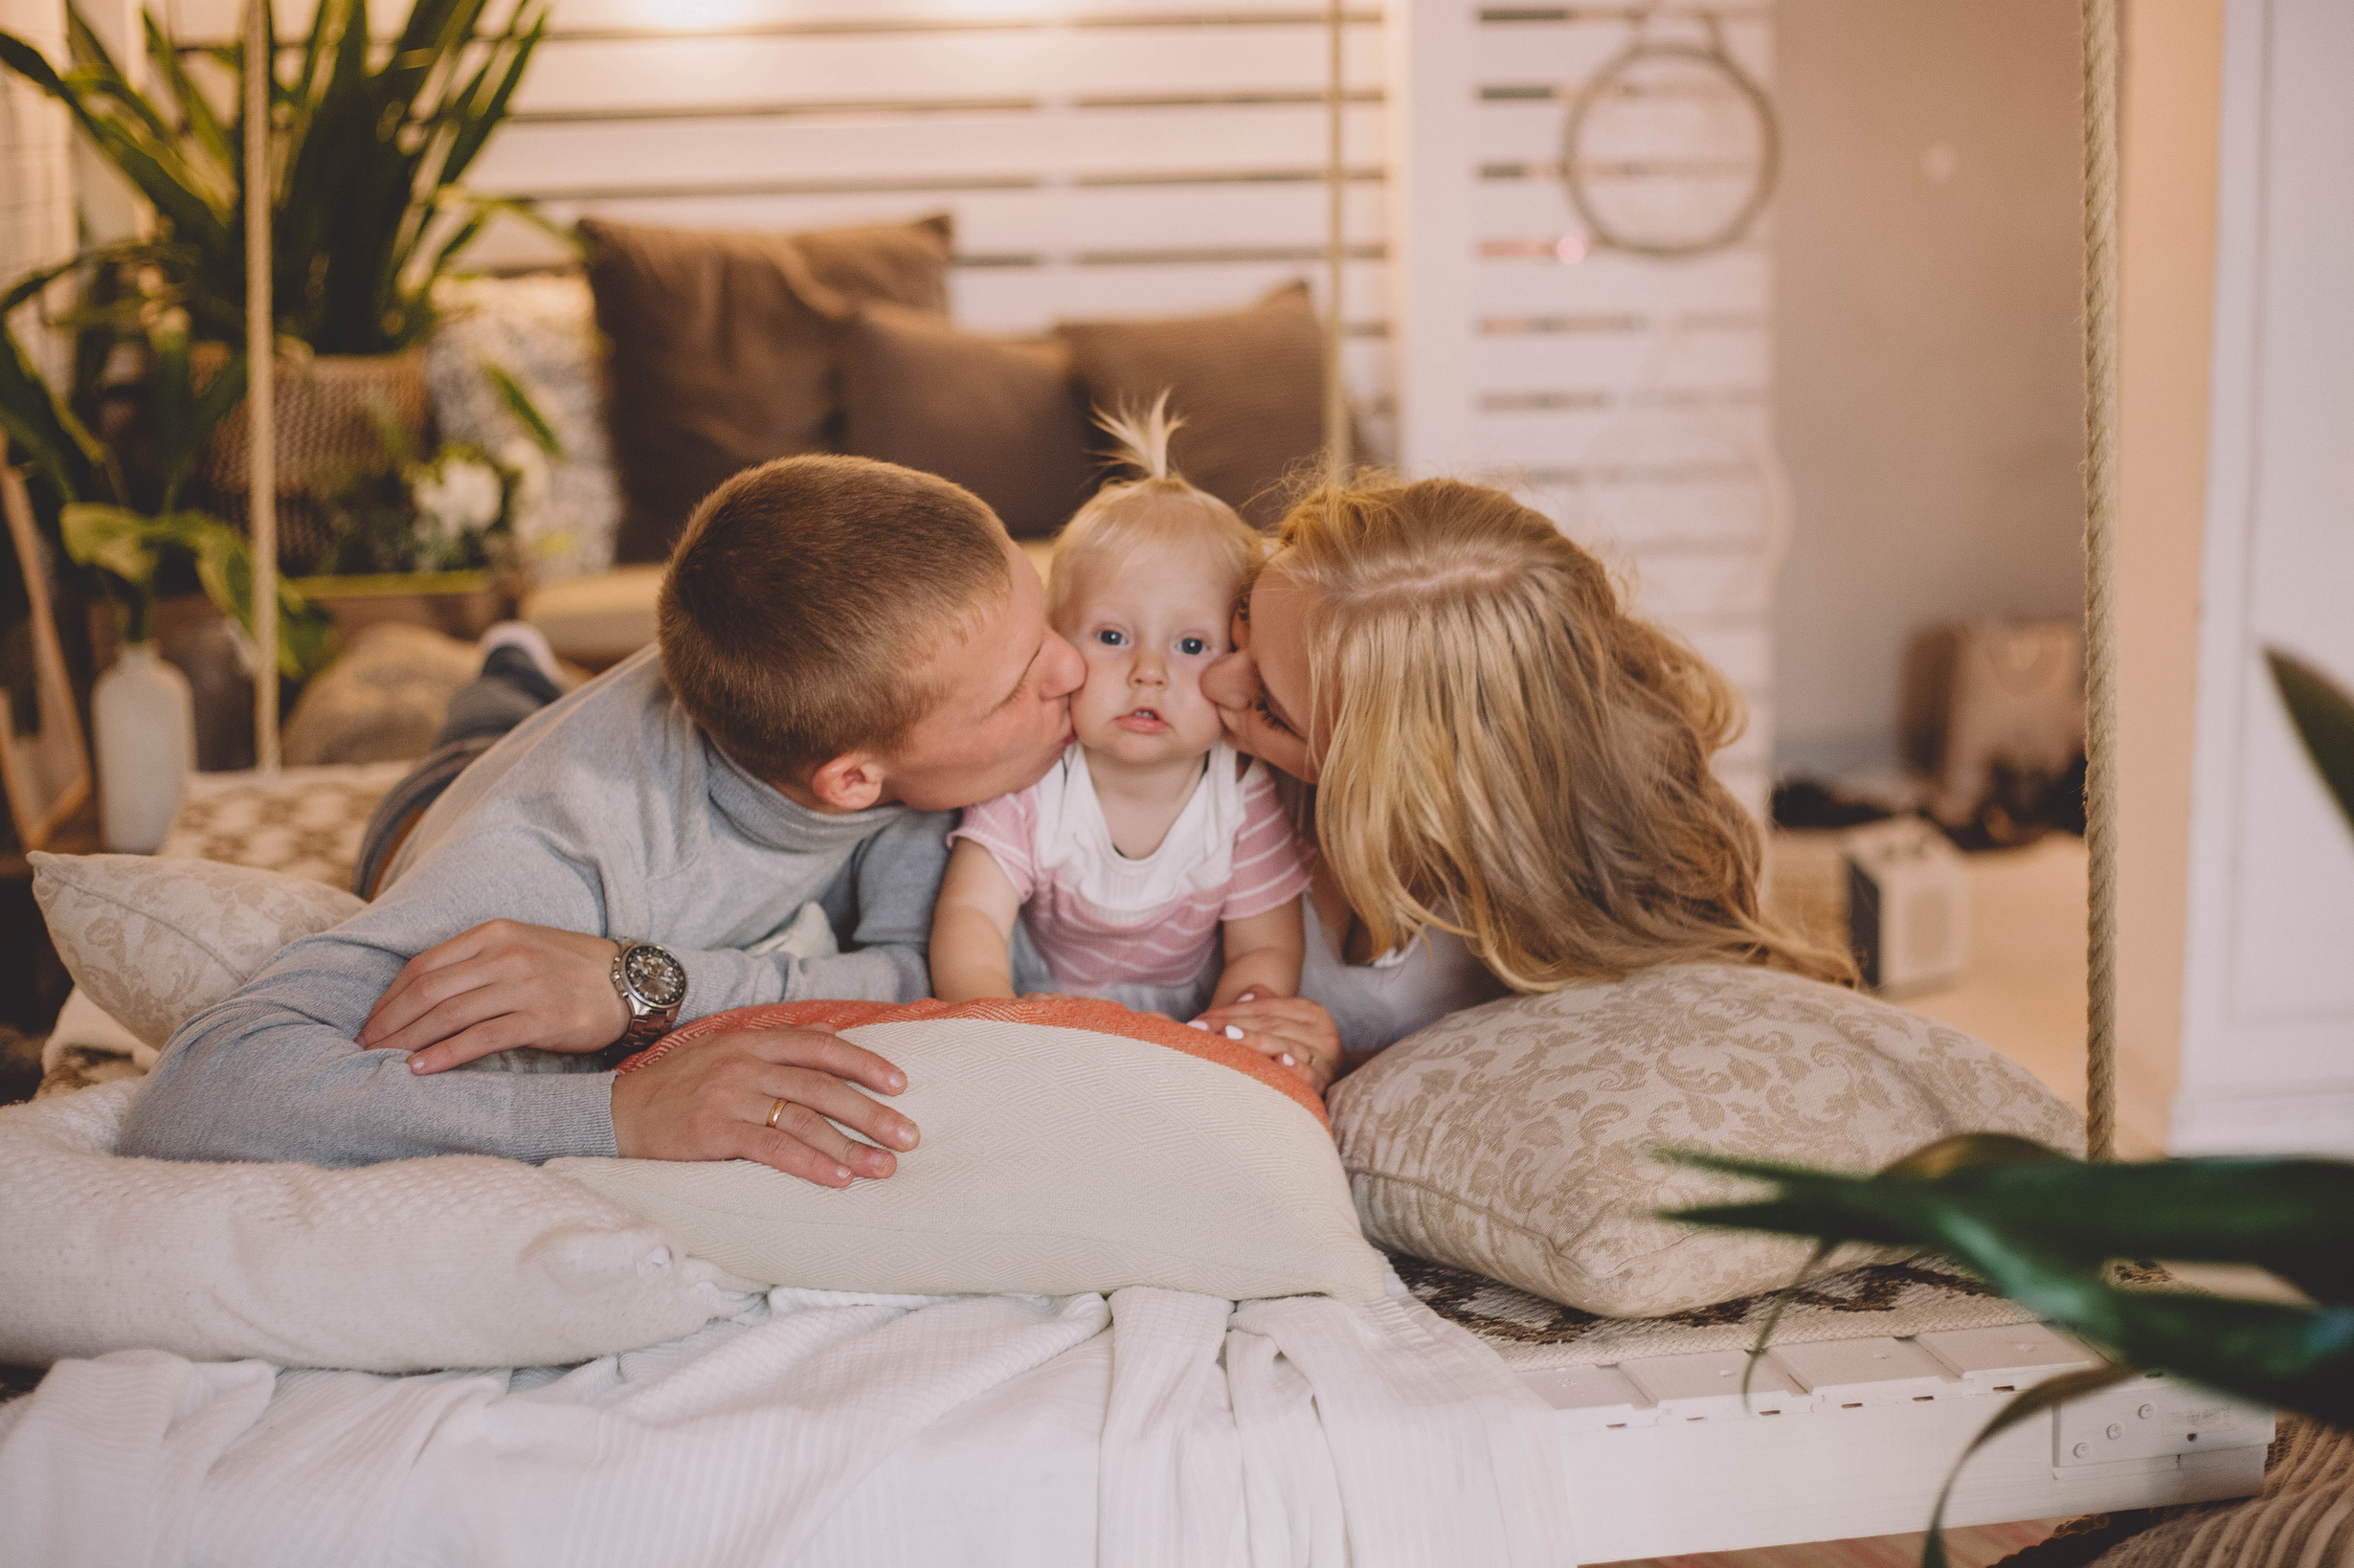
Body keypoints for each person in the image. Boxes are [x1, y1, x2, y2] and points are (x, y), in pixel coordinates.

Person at [119, 456, 1087, 1182]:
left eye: (1046, 622)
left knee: (526, 703)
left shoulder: (937, 739)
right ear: (851, 781)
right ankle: (506, 672)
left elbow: (931, 983)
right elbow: (204, 1087)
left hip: (670, 735)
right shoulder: (541, 855)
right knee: (468, 731)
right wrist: (615, 1112)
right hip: (459, 800)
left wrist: (649, 987)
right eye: (1017, 687)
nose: (1074, 670)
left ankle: (519, 678)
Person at [1191, 470, 1852, 1073]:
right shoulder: (1202, 758)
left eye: (1270, 710)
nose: (1211, 683)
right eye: (1242, 618)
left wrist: (1347, 1066)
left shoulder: (1522, 914)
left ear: (1403, 787)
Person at [928, 407, 1318, 1070]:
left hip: (1186, 1016)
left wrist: (1239, 1023)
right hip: (1037, 998)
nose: (1148, 671)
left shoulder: (1239, 791)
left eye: (1191, 644)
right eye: (1112, 636)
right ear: (1057, 641)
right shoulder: (1038, 777)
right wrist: (995, 1017)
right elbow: (971, 914)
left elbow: (1264, 947)